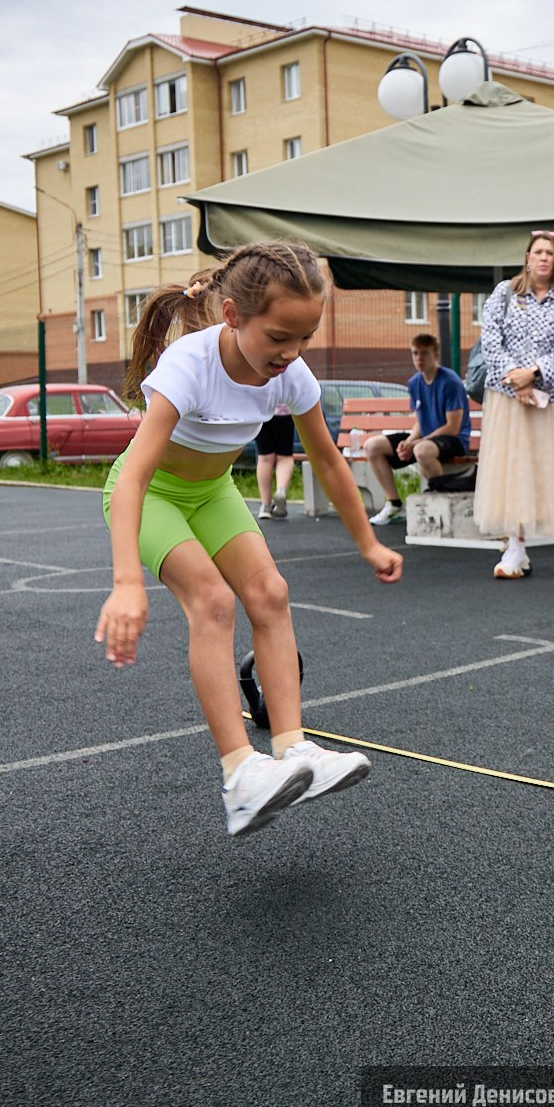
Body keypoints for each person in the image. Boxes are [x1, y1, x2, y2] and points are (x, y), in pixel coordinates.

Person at [97, 242, 401, 836]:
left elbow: (328, 461)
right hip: (151, 493)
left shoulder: (292, 375)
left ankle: (294, 748)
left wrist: (368, 542)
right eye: (279, 337)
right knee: (212, 600)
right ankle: (240, 775)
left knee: (270, 593)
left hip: (211, 491)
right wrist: (126, 581)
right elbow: (134, 476)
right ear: (233, 315)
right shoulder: (189, 364)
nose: (291, 353)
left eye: (305, 338)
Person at [475, 230, 554, 580]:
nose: (543, 258)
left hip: (553, 400)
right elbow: (490, 340)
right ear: (527, 257)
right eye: (538, 252)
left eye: (550, 253)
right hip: (508, 399)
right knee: (513, 469)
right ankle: (515, 547)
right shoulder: (504, 294)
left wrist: (535, 374)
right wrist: (516, 378)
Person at [365, 333, 472, 526]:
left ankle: (440, 503)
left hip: (453, 440)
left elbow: (452, 427)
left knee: (422, 450)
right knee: (372, 446)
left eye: (424, 353)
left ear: (435, 354)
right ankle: (394, 505)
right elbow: (420, 422)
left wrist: (417, 443)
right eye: (415, 353)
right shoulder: (414, 383)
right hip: (426, 440)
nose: (419, 358)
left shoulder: (450, 381)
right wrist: (408, 442)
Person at [252, 398, 296, 520]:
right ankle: (281, 490)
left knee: (264, 458)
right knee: (284, 457)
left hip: (260, 411)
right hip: (284, 412)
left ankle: (265, 506)